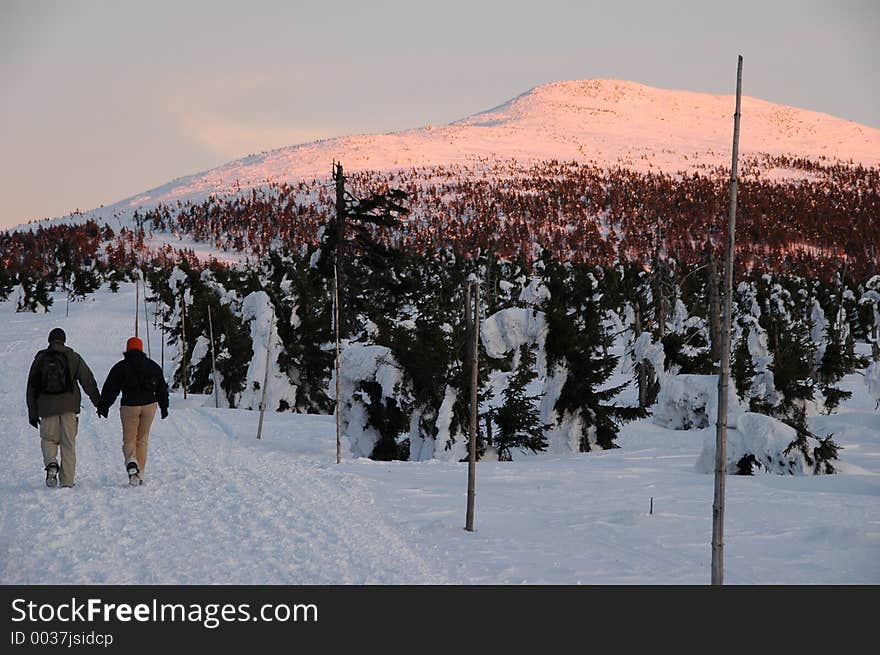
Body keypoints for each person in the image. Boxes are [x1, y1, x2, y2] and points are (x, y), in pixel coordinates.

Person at [26, 327, 102, 488]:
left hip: (46, 407)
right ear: (64, 340)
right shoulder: (73, 356)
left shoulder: (40, 359)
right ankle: (67, 482)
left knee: (48, 439)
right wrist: (99, 403)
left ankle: (52, 464)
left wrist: (32, 413)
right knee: (68, 444)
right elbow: (87, 380)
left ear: (49, 340)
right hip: (69, 406)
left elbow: (31, 387)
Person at [98, 337, 169, 486]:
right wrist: (164, 406)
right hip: (149, 406)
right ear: (141, 349)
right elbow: (162, 388)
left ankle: (131, 461)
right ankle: (139, 474)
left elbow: (111, 389)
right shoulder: (152, 366)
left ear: (127, 349)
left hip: (129, 406)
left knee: (129, 440)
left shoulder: (121, 367)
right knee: (142, 440)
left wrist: (104, 406)